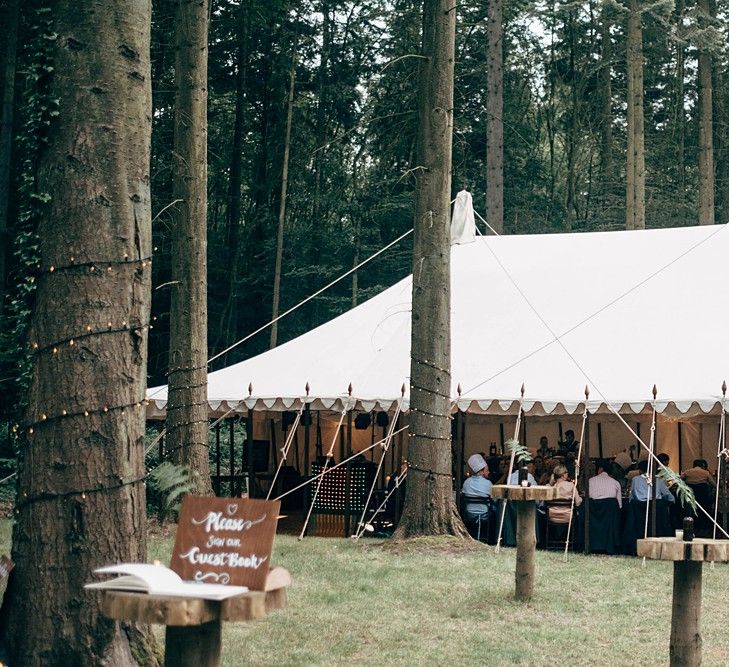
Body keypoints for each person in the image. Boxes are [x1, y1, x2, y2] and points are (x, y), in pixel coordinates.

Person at [461, 454, 493, 520]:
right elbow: (494, 499)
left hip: (469, 514)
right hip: (485, 514)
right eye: (487, 470)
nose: (489, 472)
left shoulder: (466, 482)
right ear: (481, 471)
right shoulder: (488, 483)